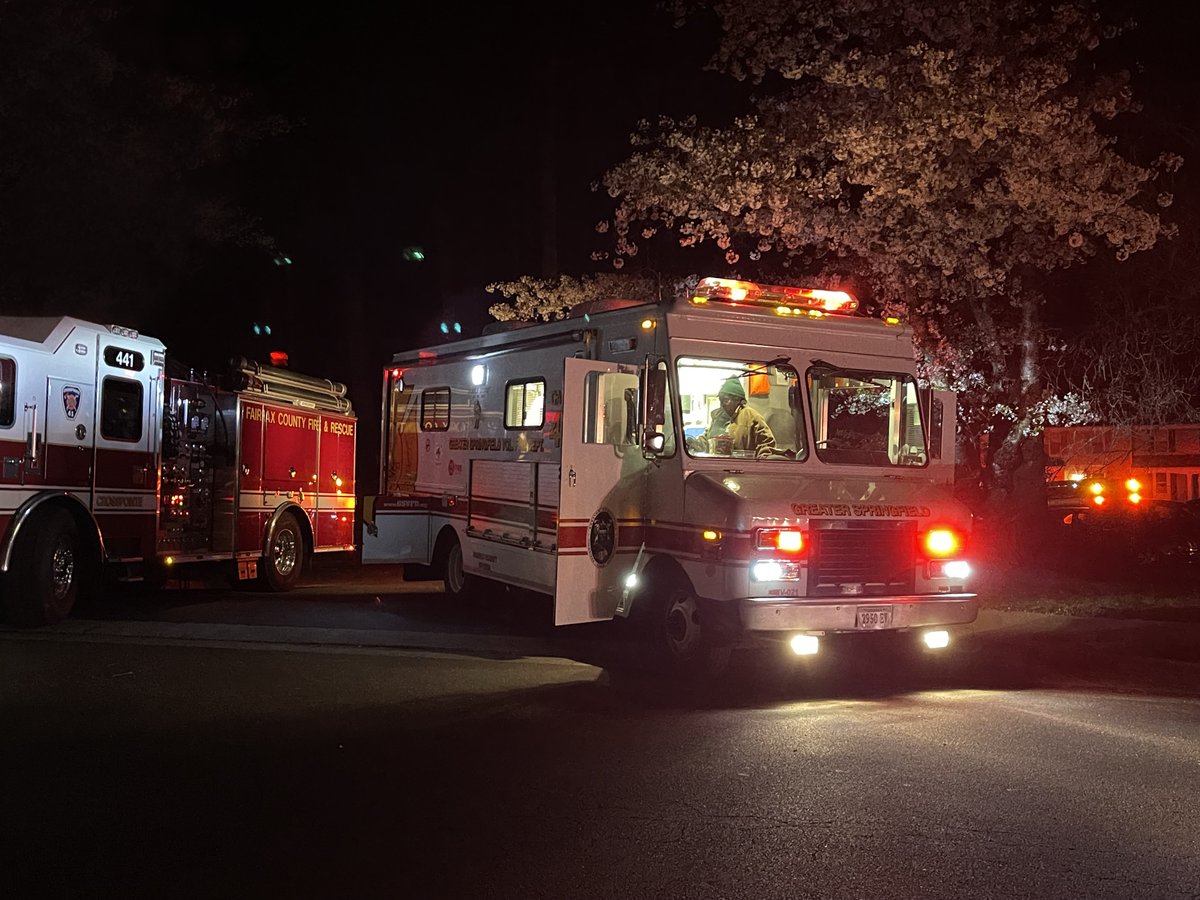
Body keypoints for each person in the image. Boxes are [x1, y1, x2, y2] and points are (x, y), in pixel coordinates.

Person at [688, 377, 776, 457]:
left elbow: (767, 443)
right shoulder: (717, 417)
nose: (722, 404)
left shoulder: (751, 416)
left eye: (725, 400)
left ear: (737, 400)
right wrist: (694, 443)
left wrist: (759, 464)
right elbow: (707, 441)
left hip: (741, 468)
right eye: (720, 400)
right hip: (717, 466)